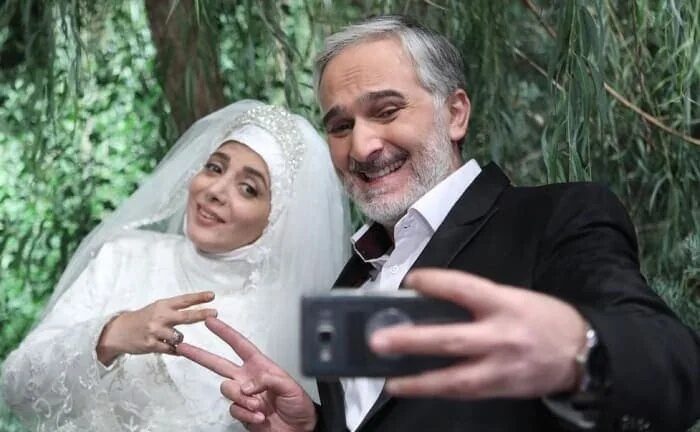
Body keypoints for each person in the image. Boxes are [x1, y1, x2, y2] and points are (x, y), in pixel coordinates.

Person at [178, 15, 700, 432]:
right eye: (340, 125)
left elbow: (677, 367)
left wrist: (579, 353)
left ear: (455, 114)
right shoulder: (347, 281)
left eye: (386, 111)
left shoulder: (555, 218)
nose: (362, 145)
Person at [0, 100, 350, 431]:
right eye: (215, 167)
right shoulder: (124, 256)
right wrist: (111, 334)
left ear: (279, 218)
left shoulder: (291, 317)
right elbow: (15, 384)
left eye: (248, 188)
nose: (215, 190)